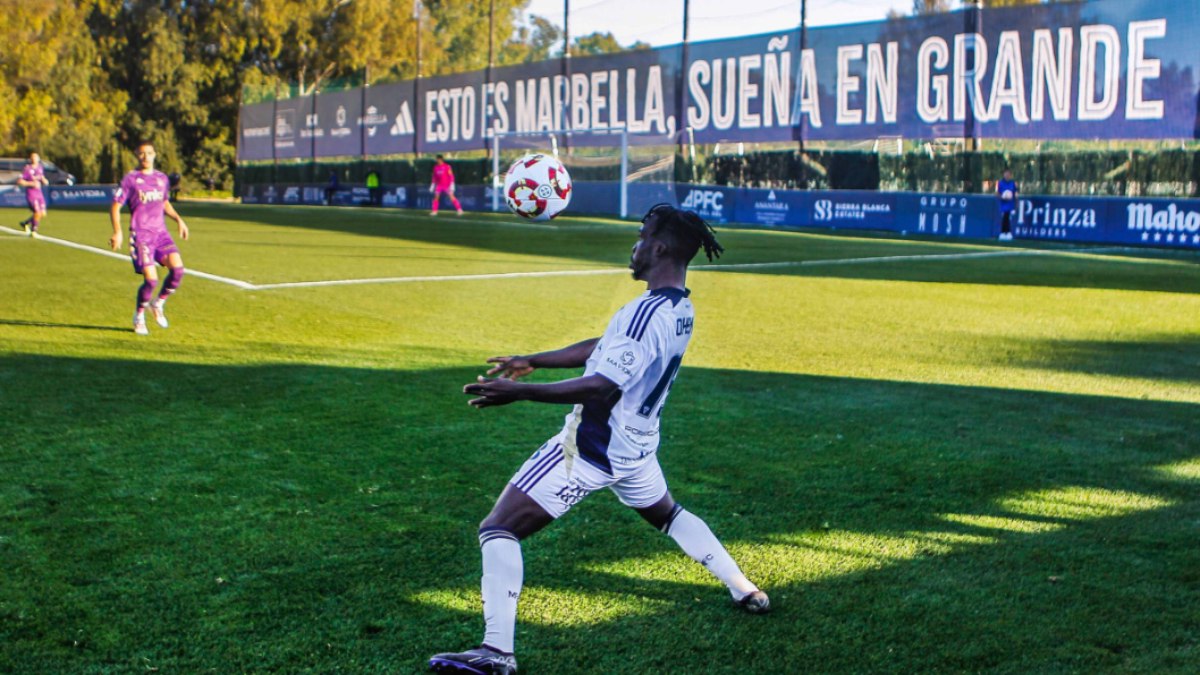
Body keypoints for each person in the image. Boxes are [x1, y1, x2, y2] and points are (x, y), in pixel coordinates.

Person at [429, 204, 768, 675]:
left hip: (590, 449)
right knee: (669, 515)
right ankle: (745, 588)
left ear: (660, 247)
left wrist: (520, 391)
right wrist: (535, 360)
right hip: (637, 449)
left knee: (498, 528)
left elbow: (602, 384)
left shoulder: (644, 312)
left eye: (642, 236)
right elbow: (607, 346)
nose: (635, 245)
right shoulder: (677, 307)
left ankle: (496, 653)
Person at [109, 141, 190, 336]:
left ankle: (158, 303)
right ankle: (139, 316)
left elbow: (164, 202)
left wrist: (179, 220)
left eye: (150, 153)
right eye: (142, 153)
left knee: (178, 270)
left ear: (155, 155)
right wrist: (118, 231)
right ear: (137, 155)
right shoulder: (130, 179)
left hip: (160, 233)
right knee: (151, 280)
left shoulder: (162, 178)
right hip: (141, 235)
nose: (146, 157)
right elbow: (115, 206)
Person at [16, 152, 49, 238]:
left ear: (38, 159)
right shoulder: (27, 169)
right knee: (37, 212)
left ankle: (25, 223)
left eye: (36, 157)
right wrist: (31, 184)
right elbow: (20, 181)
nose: (34, 159)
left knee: (43, 213)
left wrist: (44, 180)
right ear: (31, 159)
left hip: (39, 193)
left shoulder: (40, 168)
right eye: (33, 157)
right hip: (31, 194)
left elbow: (41, 177)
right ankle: (34, 230)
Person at [997, 168, 1018, 241]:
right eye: (1006, 173)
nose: (1007, 175)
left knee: (1008, 217)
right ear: (1003, 174)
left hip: (1010, 204)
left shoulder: (1013, 183)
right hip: (1003, 204)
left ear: (1010, 175)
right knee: (1004, 217)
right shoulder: (1000, 183)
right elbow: (997, 193)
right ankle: (1003, 233)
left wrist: (1016, 205)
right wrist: (1003, 197)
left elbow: (1015, 194)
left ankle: (1007, 233)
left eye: (1008, 174)